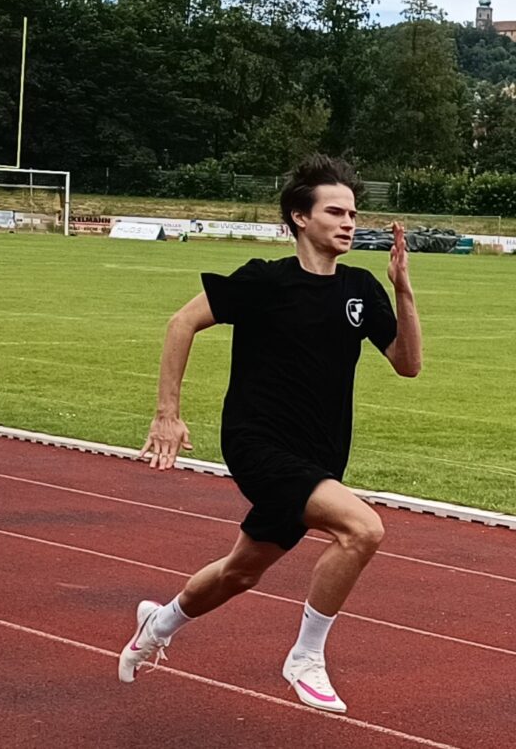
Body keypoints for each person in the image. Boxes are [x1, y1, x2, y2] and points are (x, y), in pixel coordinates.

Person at [122, 155, 422, 714]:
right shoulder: (265, 280)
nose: (349, 222)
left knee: (241, 571)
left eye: (354, 212)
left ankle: (156, 626)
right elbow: (180, 322)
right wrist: (167, 412)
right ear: (299, 217)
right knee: (363, 530)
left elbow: (407, 364)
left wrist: (402, 291)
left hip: (321, 454)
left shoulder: (359, 289)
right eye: (335, 211)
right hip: (257, 444)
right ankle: (305, 658)